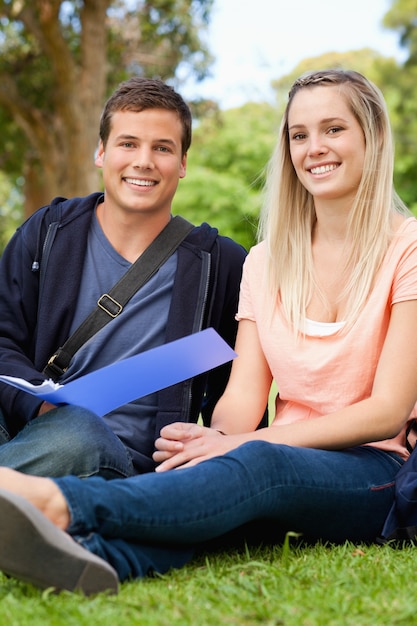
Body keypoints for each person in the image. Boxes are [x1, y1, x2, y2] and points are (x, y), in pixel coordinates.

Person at [0, 68, 416, 596]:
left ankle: (53, 504)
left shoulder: (400, 249)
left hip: (369, 463)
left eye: (334, 129)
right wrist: (211, 439)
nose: (315, 148)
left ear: (374, 137)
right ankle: (85, 558)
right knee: (208, 500)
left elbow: (388, 411)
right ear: (101, 152)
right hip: (53, 424)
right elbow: (242, 395)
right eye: (299, 134)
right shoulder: (265, 262)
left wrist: (240, 443)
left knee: (246, 465)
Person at [0, 77, 248, 478]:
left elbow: (240, 392)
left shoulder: (218, 264)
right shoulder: (49, 231)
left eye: (162, 148)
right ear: (101, 152)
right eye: (128, 143)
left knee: (78, 433)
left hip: (116, 460)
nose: (143, 161)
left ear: (183, 163)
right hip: (25, 427)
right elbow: (2, 338)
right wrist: (42, 406)